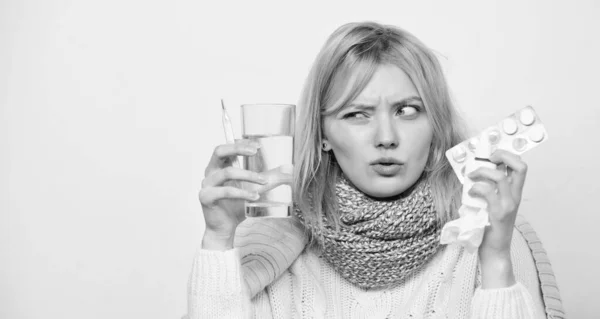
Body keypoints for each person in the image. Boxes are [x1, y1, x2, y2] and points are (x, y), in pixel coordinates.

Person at [187, 21, 554, 318]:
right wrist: (218, 240)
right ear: (322, 134)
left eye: (407, 110)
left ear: (436, 127)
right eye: (357, 114)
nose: (386, 138)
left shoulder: (494, 234)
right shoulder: (270, 242)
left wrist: (495, 258)